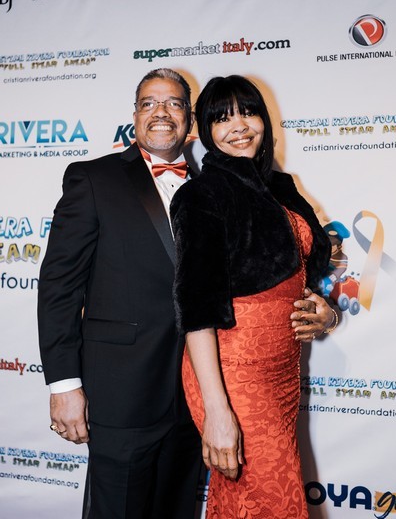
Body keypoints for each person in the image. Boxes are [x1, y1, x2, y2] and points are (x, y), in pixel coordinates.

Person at [37, 68, 202, 519]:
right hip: (120, 393)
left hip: (195, 395)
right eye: (149, 103)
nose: (161, 112)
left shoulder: (212, 187)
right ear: (134, 116)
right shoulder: (94, 179)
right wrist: (65, 385)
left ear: (189, 119)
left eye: (173, 103)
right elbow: (59, 287)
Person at [170, 75, 337, 518]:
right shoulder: (200, 196)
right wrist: (217, 412)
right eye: (222, 118)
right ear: (206, 132)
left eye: (248, 112)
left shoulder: (283, 188)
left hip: (283, 372)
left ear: (264, 118)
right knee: (278, 503)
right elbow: (197, 311)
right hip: (232, 375)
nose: (239, 126)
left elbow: (302, 271)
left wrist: (326, 313)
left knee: (243, 502)